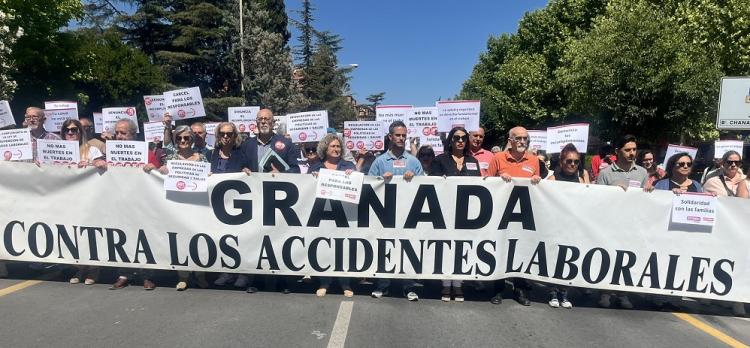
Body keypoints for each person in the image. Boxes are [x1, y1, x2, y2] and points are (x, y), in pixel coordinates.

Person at [144, 125, 209, 291]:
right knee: (181, 241)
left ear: (192, 140)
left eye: (186, 138)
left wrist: (209, 175)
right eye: (179, 138)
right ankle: (183, 276)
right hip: (177, 207)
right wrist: (156, 169)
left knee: (199, 240)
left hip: (198, 206)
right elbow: (158, 175)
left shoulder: (202, 158)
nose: (182, 141)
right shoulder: (170, 158)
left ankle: (200, 275)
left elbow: (211, 178)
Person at [368, 121, 424, 301]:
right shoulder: (380, 161)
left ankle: (408, 286)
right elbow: (369, 184)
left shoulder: (414, 162)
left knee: (408, 249)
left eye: (404, 135)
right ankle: (383, 285)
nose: (401, 138)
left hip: (409, 215)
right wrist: (379, 179)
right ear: (390, 137)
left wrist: (414, 179)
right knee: (385, 248)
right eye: (398, 135)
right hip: (384, 215)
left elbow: (426, 188)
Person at [487, 126, 541, 306]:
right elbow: (487, 183)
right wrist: (499, 179)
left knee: (521, 251)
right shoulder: (498, 158)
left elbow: (539, 189)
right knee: (501, 250)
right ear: (510, 141)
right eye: (518, 138)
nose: (522, 142)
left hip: (524, 216)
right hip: (501, 216)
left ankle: (520, 290)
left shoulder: (534, 161)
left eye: (525, 139)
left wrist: (536, 181)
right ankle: (497, 289)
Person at [594, 134, 650, 309]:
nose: (632, 153)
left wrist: (648, 191)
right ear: (617, 151)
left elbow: (645, 200)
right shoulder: (606, 173)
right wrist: (613, 193)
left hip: (632, 224)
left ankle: (623, 293)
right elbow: (596, 199)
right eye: (628, 150)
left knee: (627, 259)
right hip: (611, 224)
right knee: (609, 258)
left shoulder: (642, 172)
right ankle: (605, 292)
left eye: (634, 149)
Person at [430, 127, 480, 302]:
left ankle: (458, 285)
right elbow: (432, 185)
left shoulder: (473, 161)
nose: (460, 141)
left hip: (467, 214)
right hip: (445, 212)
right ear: (450, 140)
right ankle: (445, 284)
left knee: (462, 248)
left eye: (464, 138)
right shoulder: (440, 160)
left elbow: (481, 185)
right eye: (457, 137)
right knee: (446, 248)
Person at [210, 122, 258, 291]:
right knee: (223, 239)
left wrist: (247, 172)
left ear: (235, 136)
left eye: (229, 134)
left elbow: (252, 173)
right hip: (218, 206)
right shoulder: (212, 154)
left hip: (238, 205)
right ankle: (227, 271)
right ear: (217, 136)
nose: (225, 136)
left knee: (240, 239)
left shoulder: (242, 154)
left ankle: (243, 273)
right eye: (222, 133)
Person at [546, 144, 592, 308]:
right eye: (569, 161)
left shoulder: (581, 180)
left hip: (573, 226)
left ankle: (564, 292)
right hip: (556, 226)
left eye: (576, 161)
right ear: (562, 161)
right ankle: (552, 292)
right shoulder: (552, 179)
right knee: (556, 260)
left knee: (569, 259)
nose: (572, 164)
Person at [310, 134, 356, 298]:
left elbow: (358, 187)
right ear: (325, 149)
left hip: (343, 215)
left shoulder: (348, 166)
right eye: (333, 146)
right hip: (323, 216)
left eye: (338, 147)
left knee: (343, 249)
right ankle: (325, 282)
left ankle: (345, 283)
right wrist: (312, 179)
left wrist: (353, 176)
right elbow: (306, 191)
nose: (336, 149)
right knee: (324, 248)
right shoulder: (315, 167)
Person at [59, 119, 105, 284]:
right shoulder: (57, 150)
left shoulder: (92, 150)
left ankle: (93, 269)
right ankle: (80, 268)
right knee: (74, 233)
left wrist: (94, 163)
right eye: (67, 130)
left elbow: (103, 166)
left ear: (80, 132)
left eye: (74, 130)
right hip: (68, 199)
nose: (70, 133)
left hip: (89, 198)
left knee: (90, 233)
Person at [253, 108, 299, 173]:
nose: (263, 122)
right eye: (260, 119)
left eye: (267, 119)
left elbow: (296, 170)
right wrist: (244, 169)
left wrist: (281, 175)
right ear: (256, 123)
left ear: (273, 123)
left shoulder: (287, 143)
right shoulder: (247, 145)